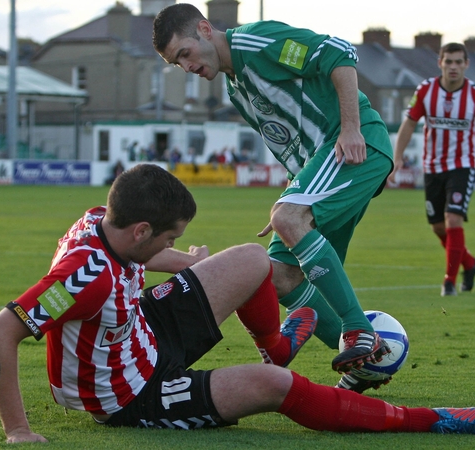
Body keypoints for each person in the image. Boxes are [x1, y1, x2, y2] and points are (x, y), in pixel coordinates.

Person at [0, 164, 475, 443]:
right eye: (168, 239)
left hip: (141, 328)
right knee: (274, 388)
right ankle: (428, 420)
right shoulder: (79, 279)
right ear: (141, 229)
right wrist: (17, 431)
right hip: (129, 393)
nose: (171, 246)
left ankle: (276, 344)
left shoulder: (103, 219)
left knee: (253, 259)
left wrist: (188, 263)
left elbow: (135, 258)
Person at [153, 3, 395, 392]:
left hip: (350, 145)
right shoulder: (236, 90)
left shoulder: (256, 40)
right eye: (175, 63)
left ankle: (358, 331)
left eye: (185, 53)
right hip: (323, 163)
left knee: (287, 218)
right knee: (278, 277)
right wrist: (295, 193)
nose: (186, 66)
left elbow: (339, 53)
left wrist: (351, 129)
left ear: (204, 29)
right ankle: (371, 362)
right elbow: (291, 145)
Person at [390, 43, 475, 297]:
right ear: (440, 63)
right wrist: (398, 157)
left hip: (463, 165)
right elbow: (408, 124)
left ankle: (449, 280)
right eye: (448, 62)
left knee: (453, 219)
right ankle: (470, 263)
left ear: (466, 65)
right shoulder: (425, 91)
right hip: (432, 166)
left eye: (459, 62)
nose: (453, 67)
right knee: (438, 227)